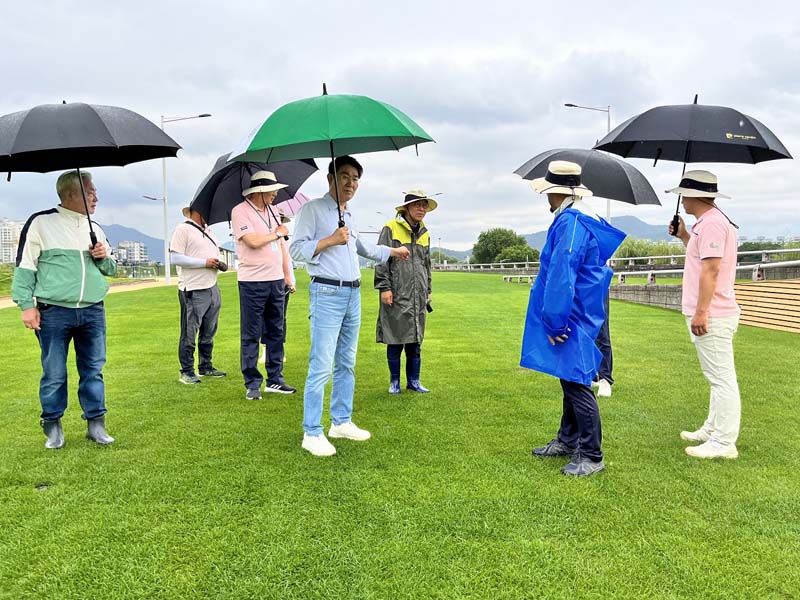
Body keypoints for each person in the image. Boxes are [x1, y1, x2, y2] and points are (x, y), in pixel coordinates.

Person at [290, 156, 410, 457]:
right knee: (321, 364)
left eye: (355, 178)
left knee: (347, 361)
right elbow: (295, 248)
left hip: (353, 294)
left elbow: (363, 249)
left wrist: (393, 250)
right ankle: (312, 431)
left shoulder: (349, 215)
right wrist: (330, 239)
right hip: (327, 293)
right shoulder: (313, 210)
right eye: (344, 176)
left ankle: (340, 421)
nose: (350, 183)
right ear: (330, 178)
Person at [520, 161, 625, 476]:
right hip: (582, 310)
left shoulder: (570, 223)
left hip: (572, 313)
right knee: (570, 378)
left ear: (556, 192)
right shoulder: (584, 219)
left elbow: (562, 273)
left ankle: (591, 454)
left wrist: (555, 321)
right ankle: (567, 440)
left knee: (576, 382)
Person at [12, 170, 117, 449]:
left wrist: (102, 256)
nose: (97, 197)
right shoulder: (40, 223)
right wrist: (26, 306)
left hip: (93, 310)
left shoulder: (96, 228)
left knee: (93, 370)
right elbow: (25, 267)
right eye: (91, 192)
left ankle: (96, 424)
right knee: (54, 372)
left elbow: (112, 268)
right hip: (53, 312)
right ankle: (53, 426)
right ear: (72, 194)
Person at [667, 170, 741, 459]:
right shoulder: (706, 225)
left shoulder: (711, 225)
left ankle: (723, 442)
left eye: (684, 195)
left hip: (713, 314)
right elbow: (701, 259)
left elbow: (711, 270)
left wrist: (701, 312)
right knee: (716, 377)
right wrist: (685, 234)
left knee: (721, 378)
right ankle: (713, 429)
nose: (682, 200)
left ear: (695, 195)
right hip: (715, 312)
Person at [231, 171, 296, 400]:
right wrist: (276, 233)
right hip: (252, 282)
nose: (276, 193)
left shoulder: (273, 212)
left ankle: (275, 379)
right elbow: (252, 241)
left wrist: (288, 276)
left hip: (276, 280)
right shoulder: (240, 211)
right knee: (250, 333)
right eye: (273, 190)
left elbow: (282, 248)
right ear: (259, 190)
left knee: (276, 331)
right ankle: (252, 382)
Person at [374, 190, 437, 394]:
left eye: (424, 205)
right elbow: (381, 258)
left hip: (418, 294)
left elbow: (426, 264)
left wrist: (428, 289)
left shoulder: (425, 233)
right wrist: (384, 287)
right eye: (418, 205)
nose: (421, 209)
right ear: (407, 207)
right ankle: (394, 382)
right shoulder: (390, 228)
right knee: (395, 338)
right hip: (397, 292)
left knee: (415, 340)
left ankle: (414, 381)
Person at [170, 206, 227, 385]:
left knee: (209, 330)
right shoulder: (183, 229)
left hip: (212, 286)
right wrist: (204, 263)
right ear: (197, 211)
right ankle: (186, 370)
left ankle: (205, 365)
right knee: (189, 331)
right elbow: (175, 258)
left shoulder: (209, 232)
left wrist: (219, 264)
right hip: (193, 288)